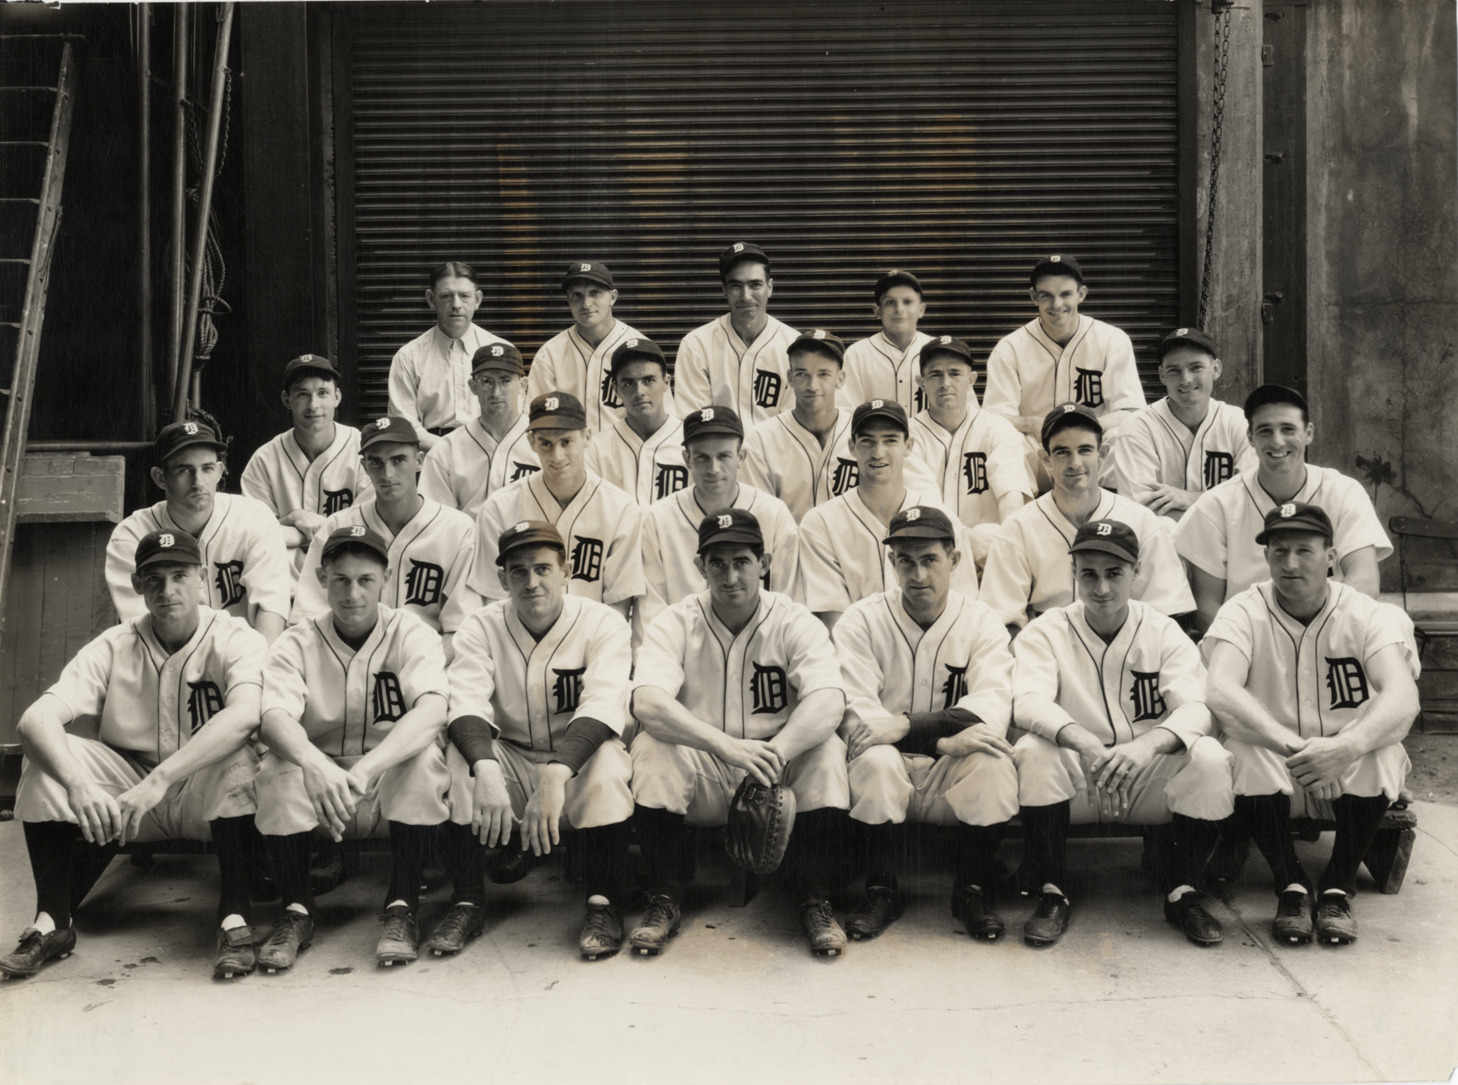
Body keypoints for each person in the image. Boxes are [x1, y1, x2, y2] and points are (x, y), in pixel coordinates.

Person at [0, 531, 266, 980]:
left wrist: (160, 780)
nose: (167, 590)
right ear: (138, 584)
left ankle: (234, 916)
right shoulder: (114, 643)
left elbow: (245, 716)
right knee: (45, 762)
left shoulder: (236, 637)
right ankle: (52, 922)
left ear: (202, 577)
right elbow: (34, 720)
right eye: (154, 579)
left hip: (204, 791)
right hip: (127, 798)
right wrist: (79, 786)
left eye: (179, 575)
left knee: (237, 756)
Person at [628, 509, 854, 958]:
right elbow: (647, 702)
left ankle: (815, 897)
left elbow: (829, 700)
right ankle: (664, 895)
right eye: (717, 563)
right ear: (700, 566)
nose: (729, 576)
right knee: (651, 747)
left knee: (827, 751)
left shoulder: (793, 620)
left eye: (741, 562)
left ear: (764, 563)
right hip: (707, 762)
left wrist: (777, 752)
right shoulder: (676, 621)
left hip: (777, 768)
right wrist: (723, 746)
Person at [1010, 519, 1235, 948]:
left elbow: (1197, 707)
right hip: (1079, 779)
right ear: (1073, 572)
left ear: (1136, 572)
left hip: (1144, 776)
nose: (1101, 588)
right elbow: (1027, 702)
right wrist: (1081, 739)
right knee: (1033, 751)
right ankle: (1051, 889)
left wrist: (1146, 746)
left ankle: (1184, 889)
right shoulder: (1047, 630)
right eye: (1089, 574)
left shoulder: (1162, 630)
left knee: (1208, 758)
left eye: (1114, 573)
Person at [1203, 502, 1420, 945]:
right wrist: (1297, 750)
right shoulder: (1242, 610)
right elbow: (1220, 690)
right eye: (1279, 551)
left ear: (1331, 557)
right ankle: (1291, 884)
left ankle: (1338, 886)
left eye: (1304, 550)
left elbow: (1403, 697)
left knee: (1381, 749)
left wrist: (1345, 748)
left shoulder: (1366, 613)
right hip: (1277, 762)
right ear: (1266, 557)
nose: (1290, 563)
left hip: (1346, 769)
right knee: (1241, 750)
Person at [253, 526, 452, 971]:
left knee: (422, 760)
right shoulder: (296, 640)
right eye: (341, 579)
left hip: (383, 776)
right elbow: (273, 718)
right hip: (319, 785)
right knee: (276, 770)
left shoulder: (411, 632)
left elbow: (433, 709)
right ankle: (296, 910)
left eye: (365, 580)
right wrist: (312, 763)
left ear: (386, 579)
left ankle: (402, 907)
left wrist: (367, 769)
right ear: (321, 579)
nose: (352, 593)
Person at [443, 521, 636, 961]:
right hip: (510, 755)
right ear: (502, 578)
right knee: (459, 761)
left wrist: (555, 774)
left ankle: (604, 903)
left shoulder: (603, 622)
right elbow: (465, 702)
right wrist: (485, 767)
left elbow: (604, 705)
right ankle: (466, 901)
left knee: (609, 765)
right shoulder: (479, 627)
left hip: (576, 761)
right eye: (519, 571)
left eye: (543, 568)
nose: (531, 582)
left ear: (566, 571)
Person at [833, 506, 1019, 942]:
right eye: (906, 561)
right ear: (892, 562)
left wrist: (905, 725)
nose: (918, 574)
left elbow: (990, 708)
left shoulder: (981, 621)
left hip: (950, 773)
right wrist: (937, 741)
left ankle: (972, 888)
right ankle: (880, 888)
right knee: (874, 759)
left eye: (930, 559)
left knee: (992, 759)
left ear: (954, 559)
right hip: (892, 764)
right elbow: (857, 716)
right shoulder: (861, 619)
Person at [1175, 384, 1391, 635]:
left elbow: (1365, 583)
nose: (1277, 442)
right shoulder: (1217, 503)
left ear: (1308, 433)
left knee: (1394, 621)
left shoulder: (1342, 491)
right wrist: (1258, 647)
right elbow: (1207, 607)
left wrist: (1312, 641)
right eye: (1265, 431)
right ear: (1250, 437)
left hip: (1330, 632)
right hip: (1246, 637)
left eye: (1288, 429)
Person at [980, 405, 1193, 636]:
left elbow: (1168, 612)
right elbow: (1001, 621)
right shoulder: (1018, 527)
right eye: (1062, 452)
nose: (1075, 463)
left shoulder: (1140, 520)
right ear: (1046, 459)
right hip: (1047, 646)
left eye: (1084, 450)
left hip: (1126, 644)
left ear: (1102, 455)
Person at [292, 416, 480, 660]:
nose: (387, 473)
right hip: (344, 659)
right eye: (376, 462)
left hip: (428, 661)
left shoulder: (457, 529)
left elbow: (460, 631)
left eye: (398, 460)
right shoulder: (338, 526)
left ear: (419, 461)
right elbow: (307, 619)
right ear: (364, 466)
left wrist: (421, 669)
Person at [798, 400, 977, 632]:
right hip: (854, 650)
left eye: (890, 440)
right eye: (867, 441)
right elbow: (834, 625)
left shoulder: (945, 521)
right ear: (852, 447)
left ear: (908, 446)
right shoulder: (820, 523)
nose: (878, 453)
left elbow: (964, 613)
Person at [107, 420, 290, 644]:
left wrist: (258, 663)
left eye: (207, 468)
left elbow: (271, 609)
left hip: (248, 655)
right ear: (160, 478)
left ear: (219, 471)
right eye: (184, 470)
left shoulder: (254, 516)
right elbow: (144, 628)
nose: (198, 482)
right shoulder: (131, 536)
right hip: (169, 657)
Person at [470, 392, 644, 624]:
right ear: (531, 442)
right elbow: (493, 599)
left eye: (566, 442)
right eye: (546, 444)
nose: (557, 456)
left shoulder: (621, 509)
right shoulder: (499, 507)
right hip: (519, 638)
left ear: (587, 437)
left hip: (594, 638)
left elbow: (618, 607)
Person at [982, 254, 1145, 487]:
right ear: (1034, 297)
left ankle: (1115, 508)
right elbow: (993, 419)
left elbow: (1131, 411)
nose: (1056, 304)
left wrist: (1089, 428)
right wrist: (1029, 424)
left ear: (1081, 294)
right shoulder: (1009, 348)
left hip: (1094, 451)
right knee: (1005, 444)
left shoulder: (1112, 339)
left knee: (1126, 437)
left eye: (1065, 294)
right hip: (1038, 451)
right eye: (1046, 295)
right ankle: (1020, 508)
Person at [743, 330, 936, 523]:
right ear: (790, 378)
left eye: (823, 374)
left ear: (841, 378)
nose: (813, 385)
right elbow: (756, 512)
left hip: (856, 541)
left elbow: (926, 494)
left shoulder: (866, 434)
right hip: (786, 541)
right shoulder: (761, 439)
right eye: (802, 374)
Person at [640, 405, 800, 631]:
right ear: (687, 459)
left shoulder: (774, 513)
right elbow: (651, 615)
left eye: (723, 456)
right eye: (702, 457)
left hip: (761, 645)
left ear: (740, 457)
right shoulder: (658, 518)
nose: (713, 469)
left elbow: (789, 605)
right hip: (680, 646)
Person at [240, 353, 371, 579]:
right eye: (302, 394)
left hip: (352, 573)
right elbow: (253, 536)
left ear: (337, 397)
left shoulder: (363, 449)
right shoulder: (264, 459)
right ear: (286, 399)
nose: (313, 405)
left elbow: (370, 526)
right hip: (283, 582)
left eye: (322, 393)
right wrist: (293, 516)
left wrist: (294, 531)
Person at [907, 335, 1033, 564]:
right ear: (921, 382)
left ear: (971, 380)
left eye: (955, 373)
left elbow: (1011, 497)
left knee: (990, 530)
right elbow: (924, 502)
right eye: (935, 374)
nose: (945, 382)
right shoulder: (907, 435)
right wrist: (968, 541)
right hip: (932, 551)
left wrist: (1006, 547)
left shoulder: (997, 428)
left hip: (994, 550)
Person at [1111, 327, 1254, 521]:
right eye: (1174, 370)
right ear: (1162, 375)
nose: (1186, 379)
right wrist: (1224, 507)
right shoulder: (1137, 427)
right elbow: (1140, 514)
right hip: (1162, 540)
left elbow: (1252, 499)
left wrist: (1190, 498)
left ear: (1216, 369)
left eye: (1196, 367)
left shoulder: (1238, 423)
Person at [528, 260, 668, 434]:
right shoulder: (550, 354)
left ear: (612, 297)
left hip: (628, 449)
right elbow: (536, 420)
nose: (586, 303)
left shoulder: (641, 348)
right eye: (577, 295)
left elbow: (664, 420)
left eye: (595, 293)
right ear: (568, 300)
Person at [387, 261, 509, 451]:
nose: (456, 305)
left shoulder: (502, 352)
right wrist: (451, 451)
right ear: (431, 300)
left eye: (464, 296)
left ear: (477, 300)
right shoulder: (408, 357)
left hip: (491, 453)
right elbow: (404, 426)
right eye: (446, 296)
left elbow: (515, 416)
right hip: (432, 455)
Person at [675, 242, 799, 426]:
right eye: (735, 285)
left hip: (777, 445)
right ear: (724, 290)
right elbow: (693, 422)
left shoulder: (795, 345)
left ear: (770, 287)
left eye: (755, 284)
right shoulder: (696, 344)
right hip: (715, 444)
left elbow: (794, 424)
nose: (746, 296)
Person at [419, 342, 539, 521]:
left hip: (531, 537)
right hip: (469, 539)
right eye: (486, 381)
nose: (496, 392)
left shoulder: (546, 441)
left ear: (522, 385)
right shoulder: (446, 450)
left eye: (505, 380)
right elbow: (438, 522)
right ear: (473, 387)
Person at [584, 337, 687, 506]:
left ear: (666, 382)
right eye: (628, 383)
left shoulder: (690, 443)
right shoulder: (596, 450)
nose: (639, 391)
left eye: (648, 380)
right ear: (616, 389)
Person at [838, 269, 934, 414]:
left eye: (907, 302)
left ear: (921, 309)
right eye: (890, 302)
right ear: (877, 311)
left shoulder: (938, 351)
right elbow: (846, 413)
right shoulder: (857, 354)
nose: (899, 309)